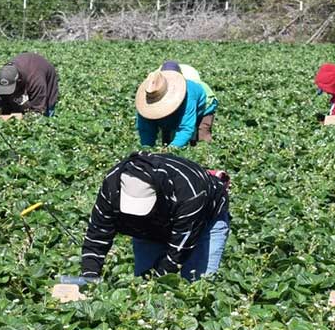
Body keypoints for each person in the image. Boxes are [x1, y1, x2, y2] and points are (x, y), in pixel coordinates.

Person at [62, 152, 230, 284]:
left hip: (205, 220)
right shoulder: (112, 187)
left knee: (197, 283)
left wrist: (157, 284)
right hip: (151, 226)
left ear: (157, 193)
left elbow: (179, 250)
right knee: (144, 278)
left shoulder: (189, 193)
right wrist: (89, 277)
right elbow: (97, 234)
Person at [135, 64, 217, 147]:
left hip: (204, 105)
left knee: (202, 135)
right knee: (167, 139)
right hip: (180, 108)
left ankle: (203, 154)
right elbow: (145, 130)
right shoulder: (147, 98)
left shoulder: (189, 94)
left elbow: (186, 128)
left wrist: (172, 149)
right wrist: (147, 150)